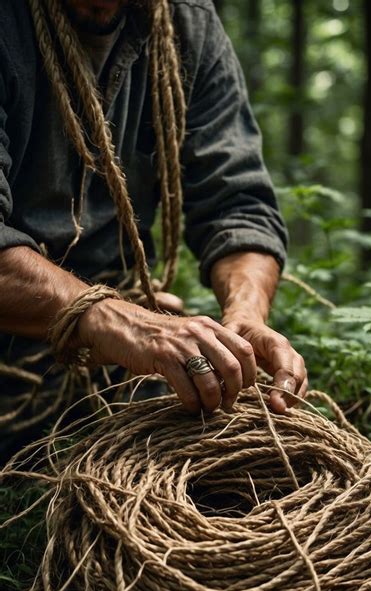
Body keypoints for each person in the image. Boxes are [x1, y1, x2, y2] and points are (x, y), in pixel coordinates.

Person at [0, 0, 307, 421]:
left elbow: (238, 205)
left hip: (119, 372)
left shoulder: (186, 23)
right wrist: (121, 322)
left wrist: (245, 314)